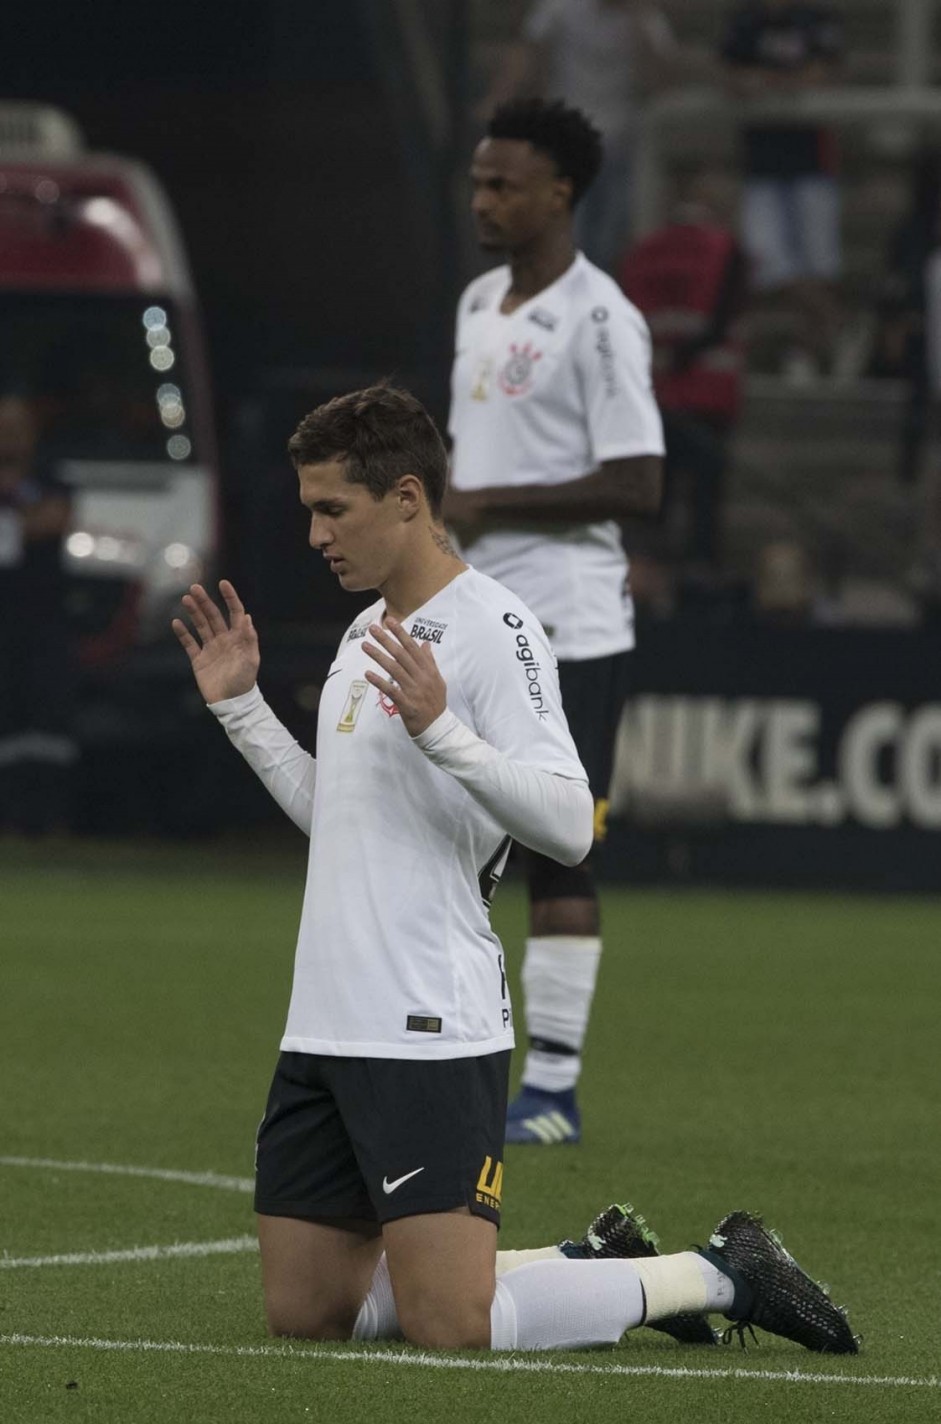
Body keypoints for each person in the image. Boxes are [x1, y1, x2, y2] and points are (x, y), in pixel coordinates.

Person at [173, 383, 857, 1356]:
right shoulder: (361, 633)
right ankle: (585, 1260)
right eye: (310, 511)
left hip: (428, 1023)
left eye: (333, 508)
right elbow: (341, 819)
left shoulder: (496, 628)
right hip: (324, 1021)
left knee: (449, 1322)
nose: (316, 534)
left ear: (406, 498)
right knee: (308, 1307)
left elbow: (569, 824)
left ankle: (716, 1271)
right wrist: (241, 709)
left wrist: (443, 729)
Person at [446, 98, 665, 1146]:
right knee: (449, 837)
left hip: (570, 626)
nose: (483, 198)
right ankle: (451, 1056)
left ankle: (553, 1085)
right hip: (476, 612)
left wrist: (491, 505)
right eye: (478, 180)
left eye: (502, 183)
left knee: (558, 849)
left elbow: (638, 480)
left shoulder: (599, 317)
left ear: (558, 192)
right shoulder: (479, 301)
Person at [477, 0, 682, 271]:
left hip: (620, 141)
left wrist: (639, 24)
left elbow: (662, 81)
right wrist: (498, 99)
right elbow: (527, 54)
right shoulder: (559, 8)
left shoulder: (645, 18)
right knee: (571, 224)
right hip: (567, 135)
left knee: (612, 233)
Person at [619, 167, 748, 576]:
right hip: (711, 395)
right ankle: (701, 573)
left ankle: (648, 581)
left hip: (655, 398)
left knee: (657, 500)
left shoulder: (640, 253)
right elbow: (724, 319)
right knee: (705, 499)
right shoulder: (727, 250)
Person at [720, 1, 845, 381]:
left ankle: (808, 350)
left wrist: (768, 82)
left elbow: (825, 73)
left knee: (815, 265)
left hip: (812, 163)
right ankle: (835, 328)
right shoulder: (747, 22)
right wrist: (777, 82)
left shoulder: (815, 19)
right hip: (763, 163)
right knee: (769, 265)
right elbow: (729, 76)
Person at [0, 389, 76, 834]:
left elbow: (55, 518)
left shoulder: (51, 474)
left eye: (17, 428)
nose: (9, 437)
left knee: (49, 721)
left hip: (44, 623)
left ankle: (51, 818)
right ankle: (9, 818)